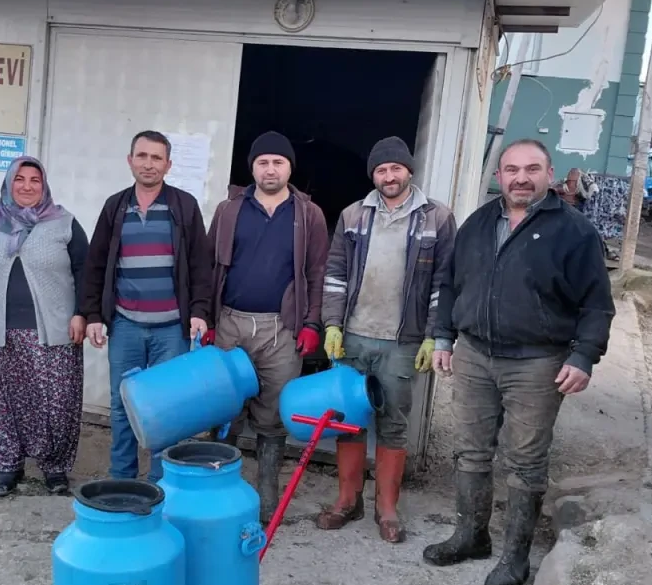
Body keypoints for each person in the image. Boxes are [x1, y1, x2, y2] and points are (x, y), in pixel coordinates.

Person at [424, 138, 614, 585]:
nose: (521, 178)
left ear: (549, 175)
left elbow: (596, 304)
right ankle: (471, 536)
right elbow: (449, 283)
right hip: (473, 355)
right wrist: (444, 336)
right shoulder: (478, 222)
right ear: (499, 177)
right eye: (511, 170)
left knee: (525, 460)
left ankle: (515, 558)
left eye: (532, 169)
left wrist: (584, 355)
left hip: (536, 363)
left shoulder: (574, 232)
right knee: (470, 451)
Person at [318, 137, 457, 543]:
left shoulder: (437, 218)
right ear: (373, 175)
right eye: (381, 170)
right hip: (353, 337)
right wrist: (332, 324)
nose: (389, 176)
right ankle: (347, 500)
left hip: (402, 341)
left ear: (409, 171)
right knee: (348, 420)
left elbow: (444, 284)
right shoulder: (352, 215)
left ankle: (387, 508)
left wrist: (434, 336)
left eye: (396, 168)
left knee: (393, 425)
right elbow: (335, 273)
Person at [207, 131, 328, 520]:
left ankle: (266, 492)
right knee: (225, 407)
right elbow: (209, 266)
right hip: (230, 322)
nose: (270, 168)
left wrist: (311, 323)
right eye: (263, 162)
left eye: (278, 162)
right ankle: (218, 487)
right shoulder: (229, 210)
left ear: (290, 168)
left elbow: (318, 271)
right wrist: (207, 319)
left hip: (281, 328)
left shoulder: (308, 215)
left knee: (273, 411)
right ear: (252, 168)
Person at [81, 130, 212, 482]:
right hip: (125, 324)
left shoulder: (183, 206)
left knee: (168, 408)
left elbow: (201, 264)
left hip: (172, 327)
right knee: (123, 404)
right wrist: (94, 315)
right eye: (142, 156)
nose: (149, 164)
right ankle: (122, 478)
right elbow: (95, 264)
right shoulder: (115, 206)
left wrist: (199, 312)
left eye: (156, 158)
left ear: (168, 164)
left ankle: (159, 481)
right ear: (130, 160)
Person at [0, 156, 88, 496]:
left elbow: (85, 269)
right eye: (19, 179)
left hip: (52, 332)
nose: (26, 186)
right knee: (0, 402)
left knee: (55, 403)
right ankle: (7, 466)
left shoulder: (63, 221)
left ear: (44, 185)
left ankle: (55, 469)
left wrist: (82, 312)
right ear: (8, 183)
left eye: (34, 180)